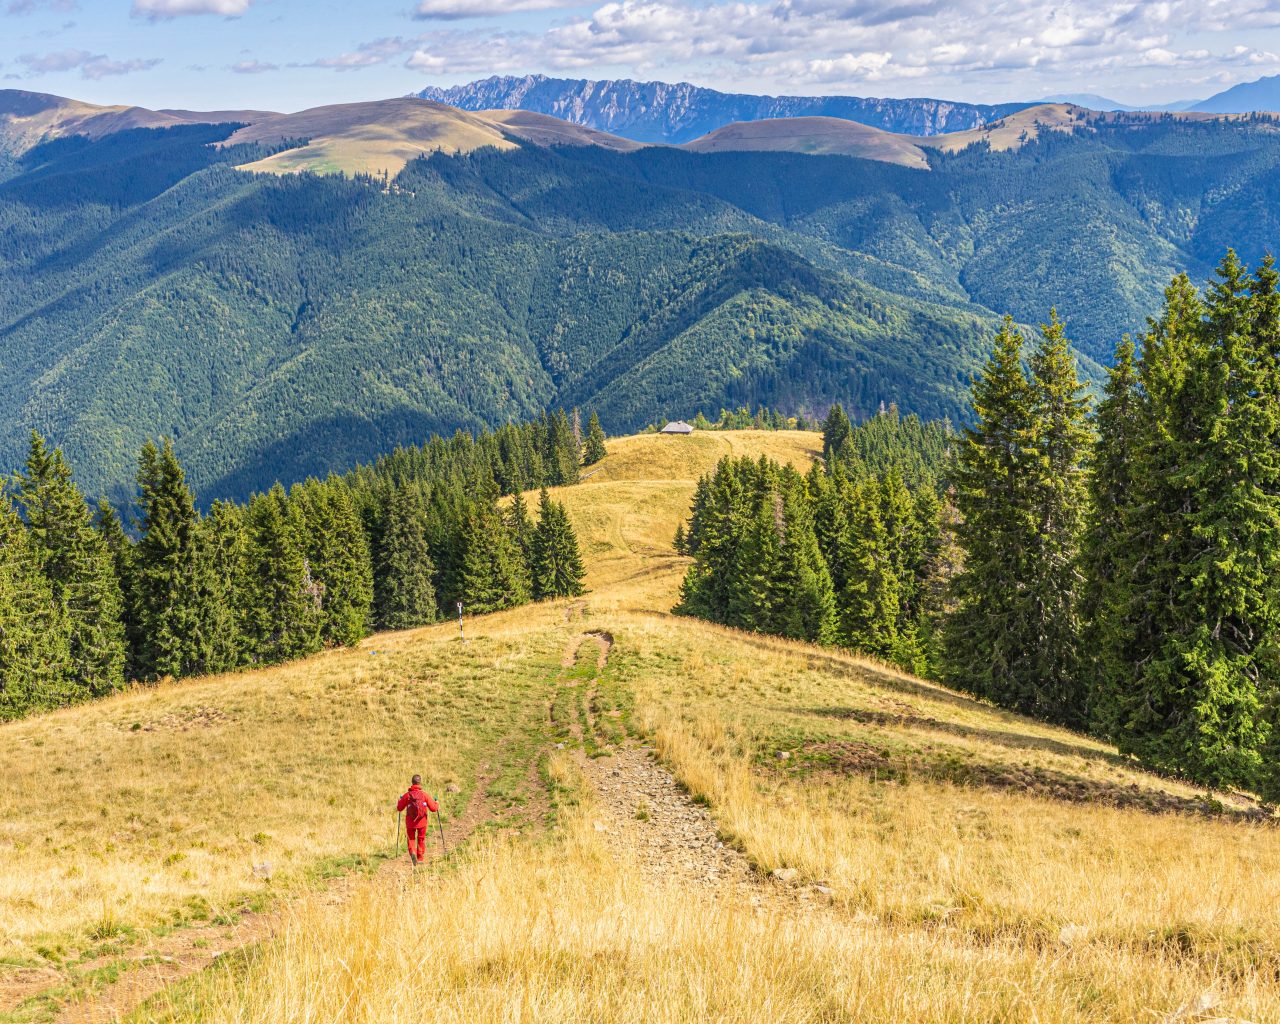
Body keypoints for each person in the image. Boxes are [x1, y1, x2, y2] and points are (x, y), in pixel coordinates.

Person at [396, 774, 439, 866]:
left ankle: (413, 853)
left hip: (410, 822)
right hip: (422, 822)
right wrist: (436, 803)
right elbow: (434, 809)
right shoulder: (424, 795)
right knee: (421, 839)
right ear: (419, 783)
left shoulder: (407, 795)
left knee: (411, 838)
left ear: (412, 783)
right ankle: (420, 858)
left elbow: (399, 808)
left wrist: (399, 801)